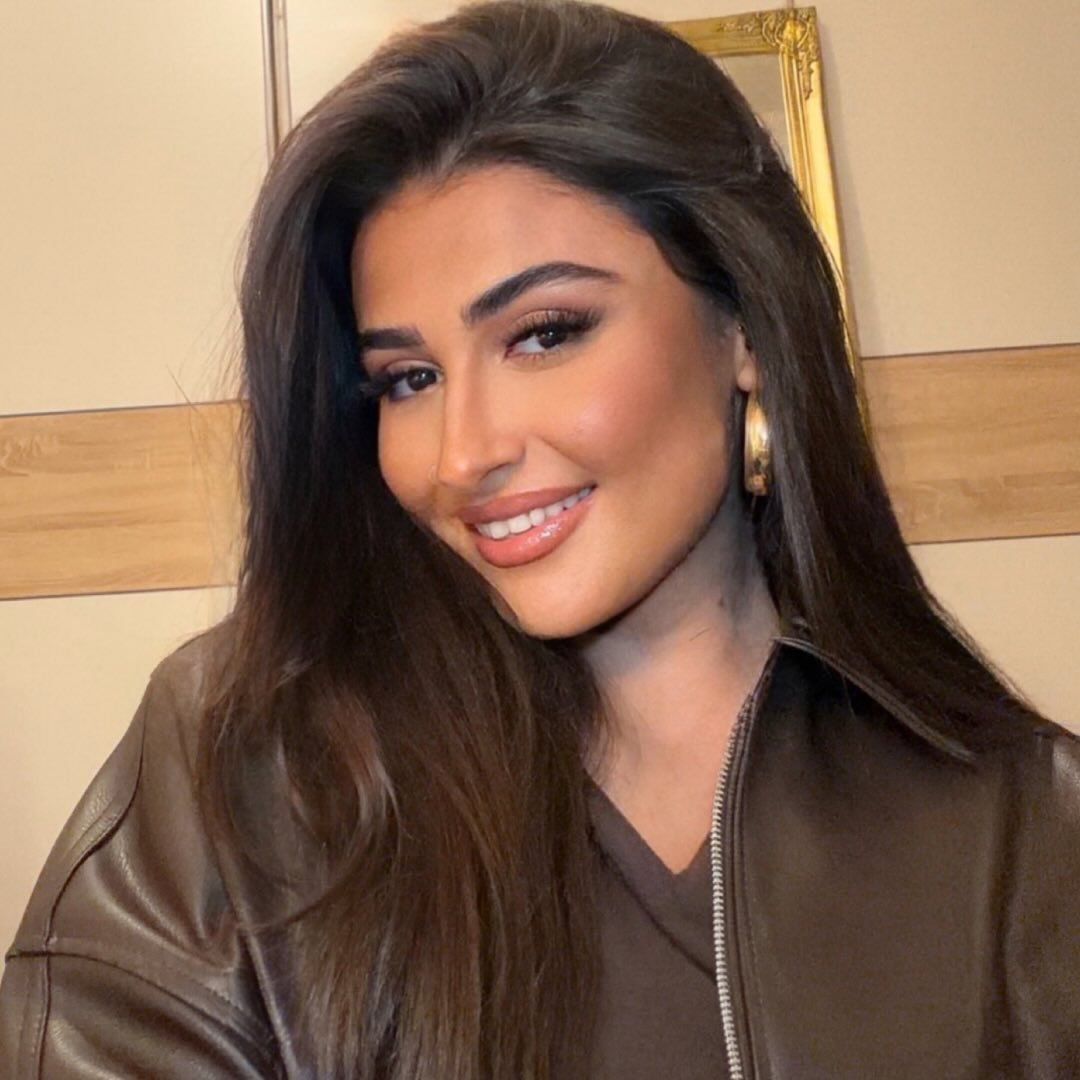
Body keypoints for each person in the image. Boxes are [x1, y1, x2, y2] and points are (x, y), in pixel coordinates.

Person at [3, 1, 1079, 1076]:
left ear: (745, 324)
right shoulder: (241, 774)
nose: (462, 454)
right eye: (408, 379)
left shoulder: (1029, 830)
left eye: (545, 333)